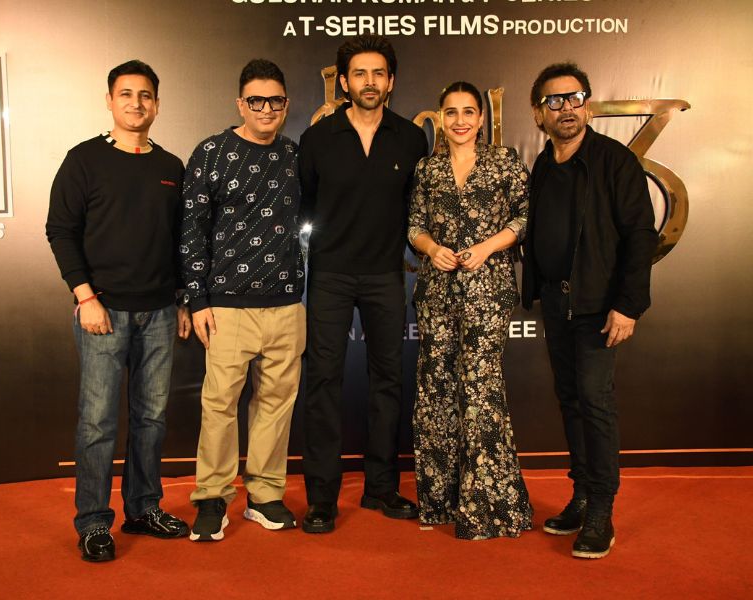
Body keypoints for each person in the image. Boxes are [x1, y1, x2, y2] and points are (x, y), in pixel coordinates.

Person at [46, 60, 191, 562]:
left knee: (151, 419)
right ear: (109, 101)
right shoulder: (84, 159)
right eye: (126, 94)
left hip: (160, 313)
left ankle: (143, 509)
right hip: (102, 312)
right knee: (98, 424)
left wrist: (181, 299)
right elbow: (60, 230)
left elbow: (179, 240)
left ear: (157, 104)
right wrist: (85, 297)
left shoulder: (171, 166)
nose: (136, 103)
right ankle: (92, 522)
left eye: (145, 95)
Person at [522, 62, 657, 558]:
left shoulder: (614, 161)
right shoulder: (542, 165)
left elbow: (641, 235)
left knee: (596, 403)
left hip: (599, 306)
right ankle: (580, 495)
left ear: (588, 106)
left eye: (575, 98)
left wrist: (628, 305)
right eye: (555, 101)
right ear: (538, 113)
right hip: (557, 302)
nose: (567, 108)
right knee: (571, 400)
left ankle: (601, 508)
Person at [298, 34, 428, 533]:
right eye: (359, 73)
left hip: (384, 275)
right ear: (344, 82)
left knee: (388, 381)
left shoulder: (411, 139)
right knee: (323, 382)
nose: (369, 82)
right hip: (329, 275)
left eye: (378, 73)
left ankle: (381, 488)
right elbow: (307, 207)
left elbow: (416, 208)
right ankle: (322, 499)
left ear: (390, 81)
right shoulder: (318, 139)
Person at [180, 59, 305, 542]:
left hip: (287, 303)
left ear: (286, 105)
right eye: (257, 100)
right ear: (240, 104)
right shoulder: (212, 152)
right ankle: (212, 498)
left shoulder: (293, 154)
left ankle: (265, 495)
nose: (266, 109)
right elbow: (192, 229)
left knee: (276, 404)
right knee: (219, 405)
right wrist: (197, 298)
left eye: (275, 100)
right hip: (226, 306)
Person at [408, 81, 533, 540]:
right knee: (436, 389)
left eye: (468, 112)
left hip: (487, 289)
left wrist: (487, 247)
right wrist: (431, 248)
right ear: (441, 118)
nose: (459, 120)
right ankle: (441, 502)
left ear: (481, 119)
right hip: (437, 292)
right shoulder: (428, 168)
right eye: (451, 112)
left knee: (480, 390)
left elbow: (524, 217)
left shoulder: (504, 161)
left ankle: (488, 509)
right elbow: (414, 225)